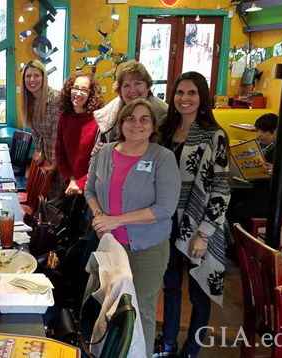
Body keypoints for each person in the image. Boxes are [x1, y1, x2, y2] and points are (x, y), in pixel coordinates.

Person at [85, 99, 181, 358]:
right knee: (108, 306)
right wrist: (98, 215)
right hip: (109, 247)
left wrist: (115, 221)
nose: (136, 124)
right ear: (121, 123)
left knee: (140, 312)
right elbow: (90, 189)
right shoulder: (105, 152)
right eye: (130, 118)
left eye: (144, 119)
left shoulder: (163, 158)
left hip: (145, 250)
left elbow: (164, 209)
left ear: (153, 126)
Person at [154, 72, 231, 358]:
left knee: (199, 295)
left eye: (192, 93)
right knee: (171, 286)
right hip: (167, 222)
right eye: (180, 93)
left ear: (202, 98)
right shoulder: (165, 130)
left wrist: (204, 233)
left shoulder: (214, 135)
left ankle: (193, 349)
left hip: (200, 224)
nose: (184, 99)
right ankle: (169, 341)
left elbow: (222, 189)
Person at [226, 113, 282, 233]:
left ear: (276, 131)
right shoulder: (257, 145)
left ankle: (244, 246)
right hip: (258, 192)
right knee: (226, 201)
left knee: (240, 210)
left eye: (263, 131)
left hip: (278, 199)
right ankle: (228, 242)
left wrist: (277, 171)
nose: (259, 135)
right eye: (258, 130)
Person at [92, 61, 168, 146]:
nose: (132, 90)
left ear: (147, 86)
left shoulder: (165, 116)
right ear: (120, 90)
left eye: (138, 83)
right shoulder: (106, 117)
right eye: (126, 86)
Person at [55, 71, 104, 200]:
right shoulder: (64, 117)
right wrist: (71, 179)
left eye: (84, 90)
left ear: (90, 94)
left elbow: (101, 160)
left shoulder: (99, 120)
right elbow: (60, 152)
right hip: (69, 184)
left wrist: (80, 183)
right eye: (75, 88)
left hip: (92, 187)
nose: (78, 93)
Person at [20, 60, 63, 202]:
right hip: (48, 157)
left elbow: (58, 136)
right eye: (28, 76)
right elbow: (36, 132)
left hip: (60, 160)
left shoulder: (55, 99)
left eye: (36, 75)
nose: (32, 80)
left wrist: (55, 164)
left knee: (56, 206)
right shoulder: (30, 100)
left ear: (43, 77)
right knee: (46, 203)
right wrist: (41, 153)